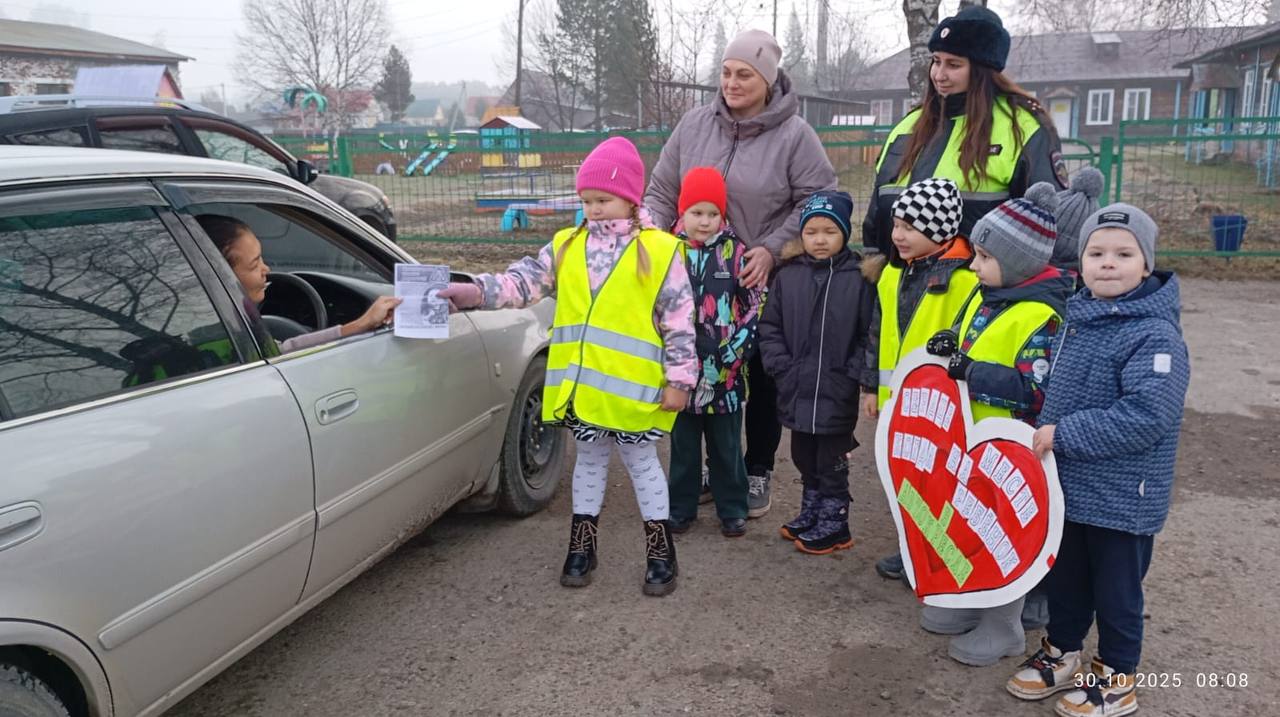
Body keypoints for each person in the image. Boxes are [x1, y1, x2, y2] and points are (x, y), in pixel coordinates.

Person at [437, 137, 697, 597]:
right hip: (583, 393)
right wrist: (474, 291)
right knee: (589, 464)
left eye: (603, 200)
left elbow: (680, 320)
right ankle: (582, 545)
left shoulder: (660, 251)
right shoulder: (566, 245)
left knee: (643, 466)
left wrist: (680, 380)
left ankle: (660, 551)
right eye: (586, 201)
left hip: (637, 393)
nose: (593, 210)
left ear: (630, 198)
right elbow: (522, 282)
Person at [645, 28, 838, 519]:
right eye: (727, 73)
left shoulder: (795, 136)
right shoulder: (694, 125)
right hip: (692, 278)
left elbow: (819, 200)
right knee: (697, 367)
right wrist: (655, 242)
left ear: (769, 81)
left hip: (759, 279)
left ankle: (756, 468)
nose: (731, 83)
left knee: (758, 374)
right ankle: (708, 469)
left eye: (744, 75)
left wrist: (772, 249)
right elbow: (663, 189)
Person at [1007, 205, 1189, 717]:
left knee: (1116, 591)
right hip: (1070, 486)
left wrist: (1062, 434)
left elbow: (1147, 416)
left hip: (1123, 496)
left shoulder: (1155, 336)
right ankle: (1062, 652)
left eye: (1124, 254)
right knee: (1066, 578)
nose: (1109, 263)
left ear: (1146, 264)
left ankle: (1116, 674)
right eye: (1097, 252)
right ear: (1081, 262)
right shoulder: (1079, 319)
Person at [924, 183, 1074, 665]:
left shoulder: (1040, 315)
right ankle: (969, 600)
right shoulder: (990, 296)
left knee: (1004, 533)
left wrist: (968, 371)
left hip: (1013, 450)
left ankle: (1003, 624)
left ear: (1018, 262)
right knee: (971, 523)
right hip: (974, 443)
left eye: (984, 256)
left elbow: (1035, 388)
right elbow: (975, 343)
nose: (973, 264)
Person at [862, 5, 1065, 258]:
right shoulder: (908, 126)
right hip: (895, 285)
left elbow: (1050, 224)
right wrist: (872, 271)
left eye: (954, 64)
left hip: (979, 290)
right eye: (936, 61)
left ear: (982, 70)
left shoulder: (1022, 128)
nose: (939, 75)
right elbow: (875, 218)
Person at [860, 178, 978, 581]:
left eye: (909, 227)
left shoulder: (965, 281)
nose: (897, 236)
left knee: (941, 482)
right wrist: (871, 388)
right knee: (906, 477)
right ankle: (915, 550)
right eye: (895, 226)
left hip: (942, 408)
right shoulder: (892, 275)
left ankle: (941, 558)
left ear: (939, 229)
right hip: (899, 402)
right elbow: (877, 335)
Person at [758, 190, 873, 554]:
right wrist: (780, 366)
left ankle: (835, 520)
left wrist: (853, 373)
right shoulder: (788, 276)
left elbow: (869, 333)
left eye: (829, 231)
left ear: (843, 234)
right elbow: (770, 325)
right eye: (812, 232)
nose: (820, 240)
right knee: (804, 455)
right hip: (796, 385)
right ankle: (812, 509)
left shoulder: (858, 279)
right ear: (801, 235)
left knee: (832, 458)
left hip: (836, 388)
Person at [667, 167, 763, 538]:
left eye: (712, 214)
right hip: (681, 372)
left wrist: (734, 352)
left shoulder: (736, 253)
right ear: (682, 213)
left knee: (726, 447)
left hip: (726, 372)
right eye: (696, 213)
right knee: (683, 448)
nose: (704, 222)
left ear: (722, 216)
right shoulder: (668, 252)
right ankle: (680, 508)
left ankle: (733, 509)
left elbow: (756, 303)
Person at [194, 214, 400, 353]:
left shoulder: (216, 326)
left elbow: (283, 351)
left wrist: (361, 325)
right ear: (220, 276)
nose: (266, 270)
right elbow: (283, 354)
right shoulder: (222, 342)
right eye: (254, 264)